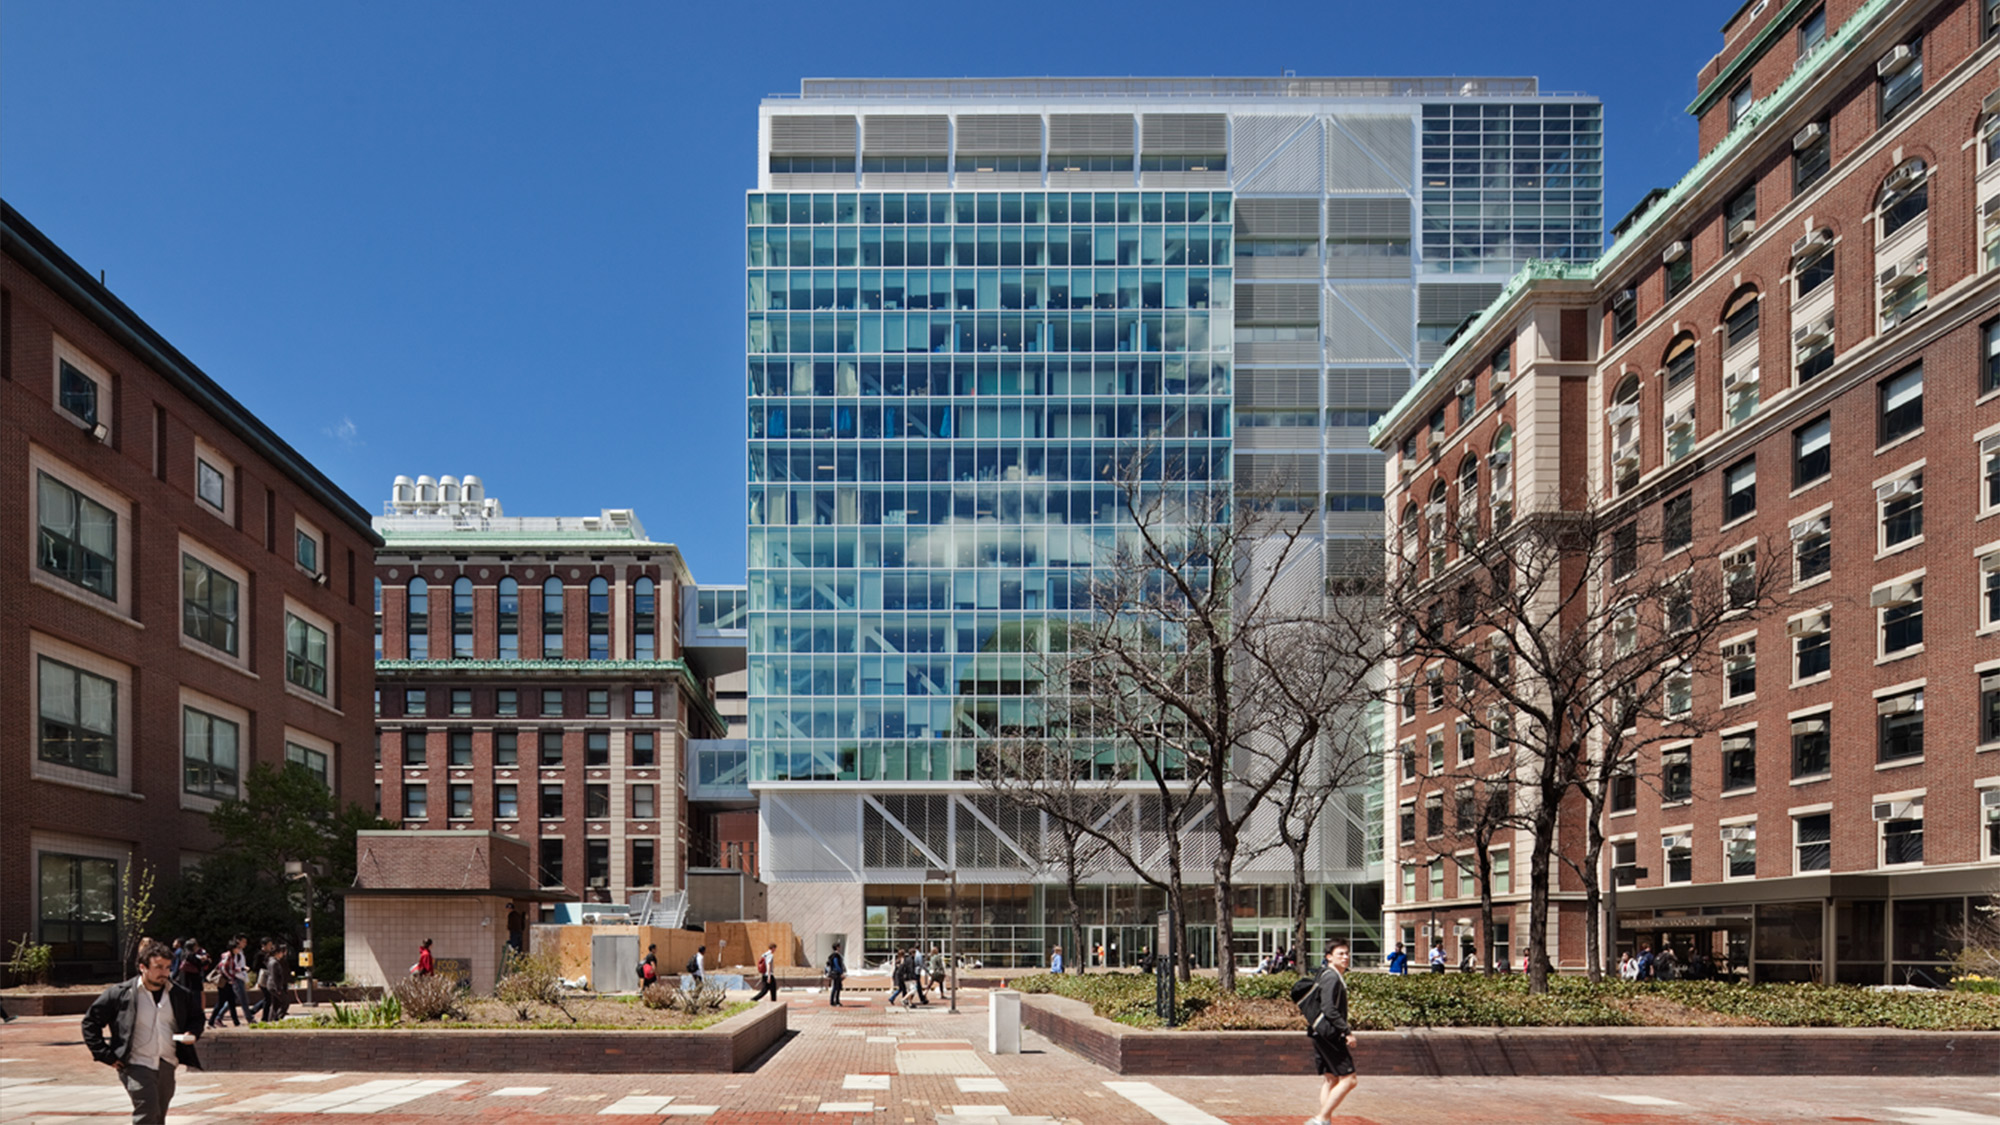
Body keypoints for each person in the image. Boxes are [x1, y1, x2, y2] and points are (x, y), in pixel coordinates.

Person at [83, 937, 204, 1125]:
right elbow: (90, 1022)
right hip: (135, 1063)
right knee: (147, 1110)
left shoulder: (179, 994)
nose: (164, 973)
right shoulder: (121, 994)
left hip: (166, 1062)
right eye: (158, 967)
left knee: (158, 1115)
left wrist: (191, 1033)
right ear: (143, 967)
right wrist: (104, 1054)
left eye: (167, 967)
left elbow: (197, 1017)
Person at [1303, 941, 1359, 1125]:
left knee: (1331, 1079)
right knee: (1349, 1080)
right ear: (1329, 957)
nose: (1345, 957)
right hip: (1330, 1035)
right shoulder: (1332, 977)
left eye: (1347, 954)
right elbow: (1329, 1009)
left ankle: (1324, 1120)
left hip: (1320, 1032)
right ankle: (1320, 1119)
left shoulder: (1326, 975)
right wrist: (1346, 1031)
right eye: (1340, 954)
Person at [207, 938, 247, 1028]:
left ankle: (236, 1022)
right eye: (237, 948)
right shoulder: (228, 956)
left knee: (231, 1002)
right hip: (224, 983)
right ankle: (211, 1021)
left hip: (227, 983)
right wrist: (230, 978)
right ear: (233, 948)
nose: (239, 950)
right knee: (221, 1003)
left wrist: (241, 969)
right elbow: (223, 968)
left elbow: (230, 969)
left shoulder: (231, 956)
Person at [825, 941, 847, 1007]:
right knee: (836, 987)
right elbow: (837, 965)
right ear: (837, 947)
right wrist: (841, 972)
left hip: (835, 973)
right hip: (836, 973)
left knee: (837, 987)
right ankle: (834, 1001)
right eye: (839, 946)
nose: (840, 947)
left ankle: (836, 1001)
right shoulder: (835, 956)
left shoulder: (834, 955)